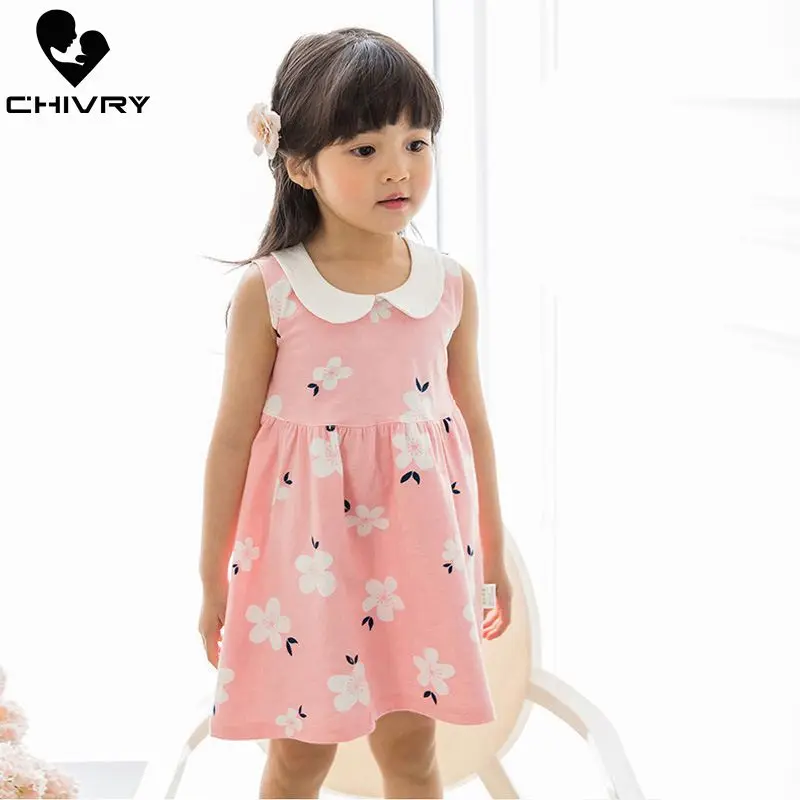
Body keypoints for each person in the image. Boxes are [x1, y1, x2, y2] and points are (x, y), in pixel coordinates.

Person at [197, 26, 513, 800]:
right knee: (299, 758)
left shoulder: (448, 286)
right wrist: (213, 580)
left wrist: (492, 559)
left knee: (411, 751)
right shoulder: (272, 291)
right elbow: (231, 442)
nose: (398, 168)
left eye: (416, 142)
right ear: (300, 165)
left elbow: (473, 426)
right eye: (365, 149)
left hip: (419, 560)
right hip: (307, 564)